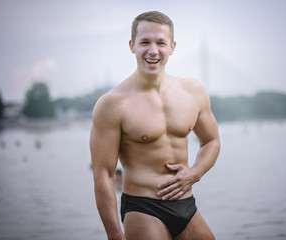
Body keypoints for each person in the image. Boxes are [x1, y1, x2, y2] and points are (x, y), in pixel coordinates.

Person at [90, 11, 220, 240]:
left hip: (187, 206)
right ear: (132, 46)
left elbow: (211, 140)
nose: (153, 50)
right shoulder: (112, 104)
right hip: (143, 208)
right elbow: (103, 174)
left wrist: (195, 173)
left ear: (172, 46)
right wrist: (114, 235)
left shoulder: (193, 91)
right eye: (145, 42)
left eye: (161, 42)